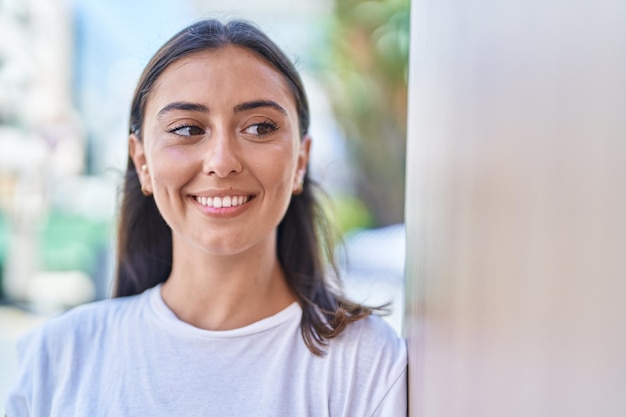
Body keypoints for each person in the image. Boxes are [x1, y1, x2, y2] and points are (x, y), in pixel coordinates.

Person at [5, 19, 407, 416]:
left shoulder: (366, 364)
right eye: (186, 129)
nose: (221, 161)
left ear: (301, 160)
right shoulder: (56, 359)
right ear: (142, 161)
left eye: (259, 126)